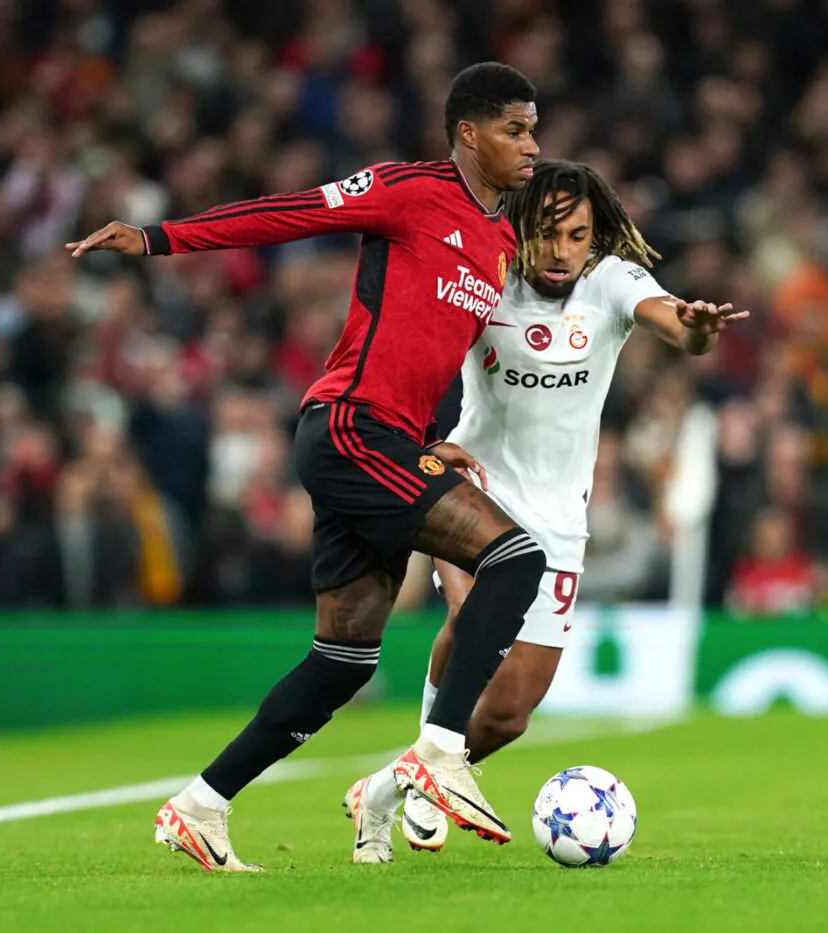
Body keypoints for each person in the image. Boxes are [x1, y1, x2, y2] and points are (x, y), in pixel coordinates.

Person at [68, 63, 544, 871]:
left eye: (533, 130)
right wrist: (157, 237)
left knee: (343, 661)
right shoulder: (407, 190)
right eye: (515, 129)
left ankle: (201, 806)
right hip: (350, 427)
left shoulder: (501, 241)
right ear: (468, 133)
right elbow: (288, 213)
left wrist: (432, 439)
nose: (531, 145)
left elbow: (427, 351)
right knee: (515, 556)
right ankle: (440, 749)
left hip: (393, 442)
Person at [343, 160, 747, 862]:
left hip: (559, 519)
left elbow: (679, 328)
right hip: (473, 487)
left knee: (509, 713)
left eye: (577, 236)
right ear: (521, 228)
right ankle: (435, 762)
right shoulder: (485, 276)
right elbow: (418, 352)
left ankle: (387, 786)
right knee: (474, 615)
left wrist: (699, 329)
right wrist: (418, 445)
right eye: (548, 233)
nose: (562, 251)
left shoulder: (610, 281)